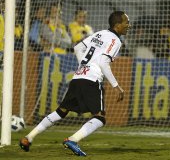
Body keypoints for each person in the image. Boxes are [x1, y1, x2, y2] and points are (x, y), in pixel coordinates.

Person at [19, 11, 130, 156]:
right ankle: (73, 140)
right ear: (117, 25)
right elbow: (103, 62)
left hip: (78, 77)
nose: (129, 25)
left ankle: (28, 138)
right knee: (100, 117)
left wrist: (83, 66)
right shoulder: (115, 40)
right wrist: (116, 86)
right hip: (92, 79)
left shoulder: (99, 34)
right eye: (126, 22)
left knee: (61, 111)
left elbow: (77, 48)